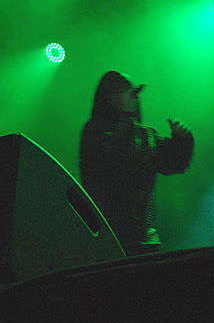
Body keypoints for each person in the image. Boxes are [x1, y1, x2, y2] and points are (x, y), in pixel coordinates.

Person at [79, 71, 194, 256]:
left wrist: (181, 140)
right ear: (109, 98)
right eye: (127, 92)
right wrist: (123, 134)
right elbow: (101, 173)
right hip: (108, 237)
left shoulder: (146, 135)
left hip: (145, 238)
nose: (134, 97)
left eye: (133, 93)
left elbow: (173, 164)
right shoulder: (94, 132)